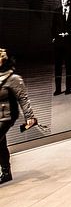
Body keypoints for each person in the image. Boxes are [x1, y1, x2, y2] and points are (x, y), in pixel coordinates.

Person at [0, 49, 37, 184]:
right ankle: (6, 173)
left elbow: (23, 98)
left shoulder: (13, 79)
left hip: (7, 115)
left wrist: (30, 117)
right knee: (1, 144)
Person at [51, 0, 71, 95]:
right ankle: (58, 89)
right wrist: (54, 37)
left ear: (70, 1)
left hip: (68, 43)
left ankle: (68, 88)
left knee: (68, 66)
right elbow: (53, 27)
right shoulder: (56, 11)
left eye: (65, 0)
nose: (63, 1)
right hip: (58, 43)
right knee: (57, 67)